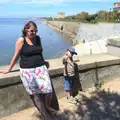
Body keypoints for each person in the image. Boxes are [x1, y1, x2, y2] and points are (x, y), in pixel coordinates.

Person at [0, 21, 56, 120]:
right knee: (36, 95)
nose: (34, 33)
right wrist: (8, 69)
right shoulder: (21, 40)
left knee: (48, 90)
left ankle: (47, 106)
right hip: (27, 71)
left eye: (36, 31)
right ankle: (45, 115)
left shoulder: (38, 39)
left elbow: (39, 52)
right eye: (32, 31)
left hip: (40, 69)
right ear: (26, 30)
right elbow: (16, 56)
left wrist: (43, 62)